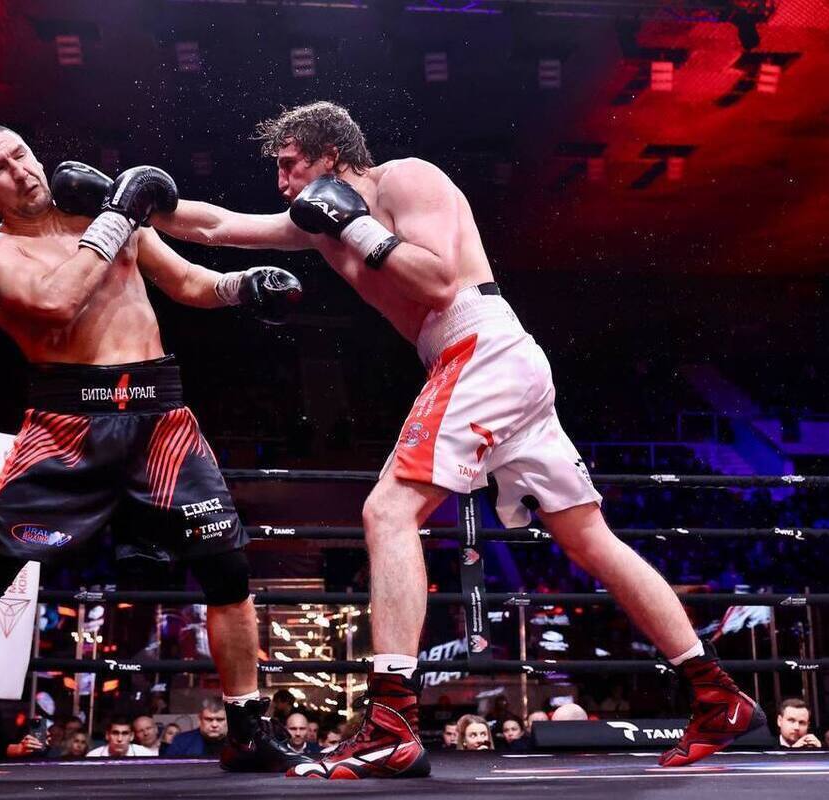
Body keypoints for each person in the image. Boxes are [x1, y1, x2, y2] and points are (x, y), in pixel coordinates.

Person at [151, 99, 764, 778]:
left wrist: (357, 223)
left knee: (388, 511)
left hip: (479, 344)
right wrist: (141, 206)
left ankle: (390, 722)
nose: (281, 181)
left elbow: (440, 281)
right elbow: (220, 225)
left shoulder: (406, 180)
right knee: (588, 538)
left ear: (329, 154)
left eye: (290, 164)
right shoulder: (317, 222)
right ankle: (717, 694)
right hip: (483, 361)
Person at [0, 125, 307, 780]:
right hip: (65, 425)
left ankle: (247, 729)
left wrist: (245, 285)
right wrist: (118, 214)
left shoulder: (107, 214)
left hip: (159, 418)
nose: (19, 171)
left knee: (227, 570)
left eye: (21, 154)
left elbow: (187, 282)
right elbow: (56, 303)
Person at [87, 716, 152, 758]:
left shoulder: (145, 755)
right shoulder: (93, 756)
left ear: (132, 736)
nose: (119, 739)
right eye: (115, 733)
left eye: (125, 733)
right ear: (107, 735)